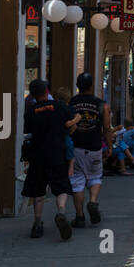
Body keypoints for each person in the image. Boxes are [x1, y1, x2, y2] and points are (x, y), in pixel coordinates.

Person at [22, 79, 80, 240]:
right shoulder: (60, 107)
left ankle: (37, 223)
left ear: (33, 94)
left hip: (38, 156)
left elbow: (28, 132)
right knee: (61, 188)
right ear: (47, 91)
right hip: (57, 155)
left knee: (38, 191)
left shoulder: (31, 111)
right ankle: (61, 212)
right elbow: (70, 124)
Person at [69, 72, 111, 227]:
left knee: (77, 182)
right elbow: (106, 128)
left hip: (76, 148)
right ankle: (93, 201)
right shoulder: (102, 105)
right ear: (92, 85)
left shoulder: (71, 103)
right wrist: (109, 146)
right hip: (94, 147)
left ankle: (79, 216)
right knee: (95, 177)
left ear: (77, 86)